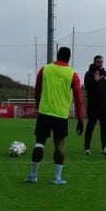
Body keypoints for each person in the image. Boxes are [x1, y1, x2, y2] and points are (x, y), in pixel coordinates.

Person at [27, 47, 84, 185]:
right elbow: (78, 99)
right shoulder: (73, 75)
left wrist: (38, 105)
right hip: (61, 115)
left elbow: (37, 90)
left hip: (45, 112)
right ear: (69, 58)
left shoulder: (45, 69)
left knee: (39, 144)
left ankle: (33, 175)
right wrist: (80, 119)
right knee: (59, 145)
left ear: (57, 55)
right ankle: (57, 178)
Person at [83, 54, 106, 155]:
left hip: (104, 106)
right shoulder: (89, 74)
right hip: (93, 106)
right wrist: (94, 80)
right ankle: (87, 148)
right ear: (94, 62)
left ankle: (105, 148)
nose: (100, 64)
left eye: (101, 62)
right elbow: (87, 86)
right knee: (90, 127)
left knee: (104, 129)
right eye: (98, 62)